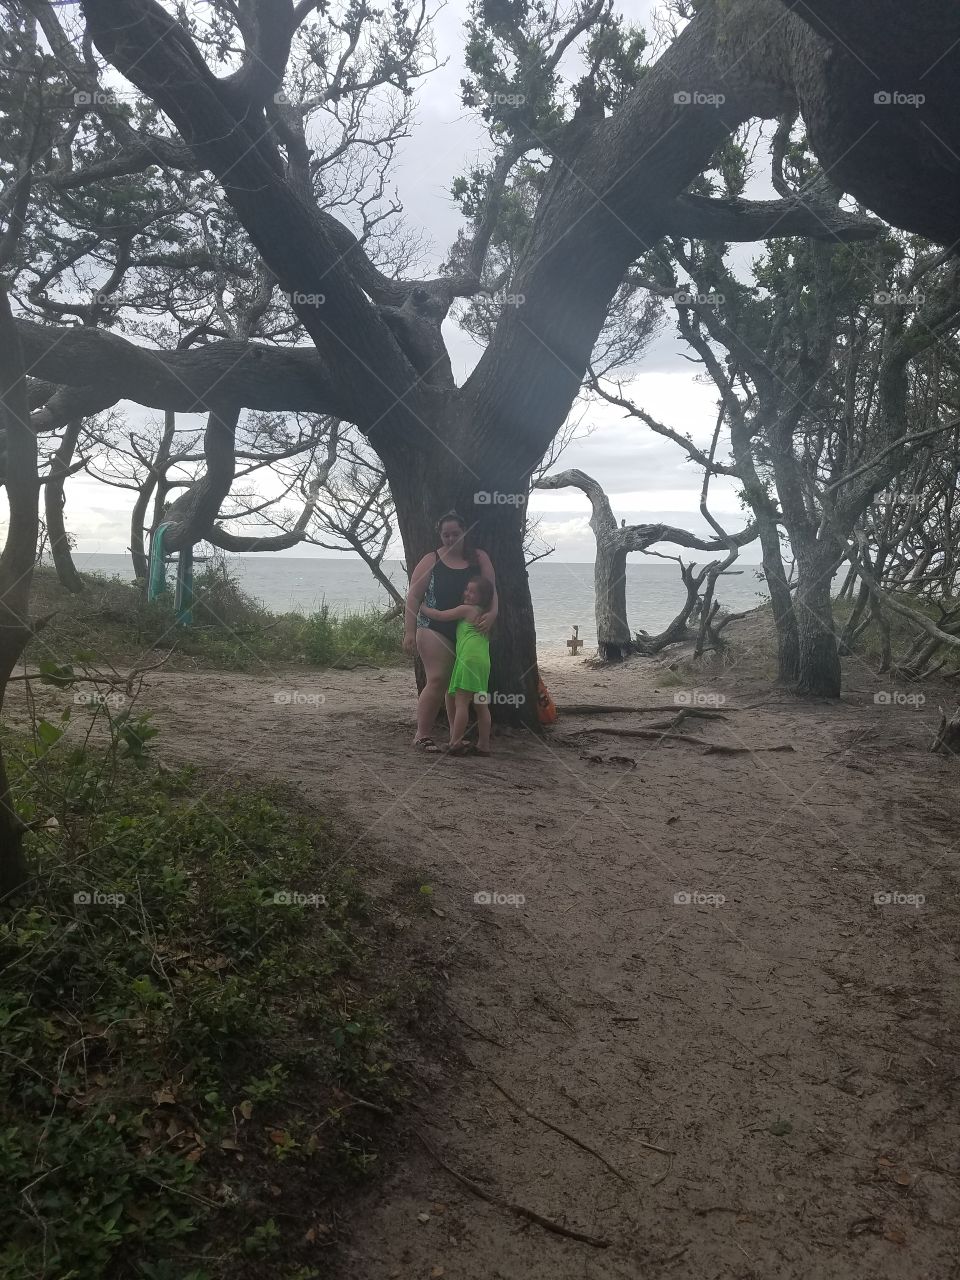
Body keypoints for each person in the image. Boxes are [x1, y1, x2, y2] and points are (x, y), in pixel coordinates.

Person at [403, 511, 497, 752]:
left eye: (455, 533)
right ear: (440, 535)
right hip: (433, 627)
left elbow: (492, 590)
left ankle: (457, 738)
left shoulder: (479, 557)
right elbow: (413, 596)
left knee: (455, 686)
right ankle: (422, 735)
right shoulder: (431, 559)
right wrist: (409, 631)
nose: (451, 538)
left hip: (466, 632)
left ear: (464, 532)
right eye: (446, 534)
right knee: (437, 679)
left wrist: (493, 614)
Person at [419, 576, 494, 756]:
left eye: (473, 592)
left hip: (467, 661)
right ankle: (484, 745)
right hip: (483, 664)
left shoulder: (466, 610)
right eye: (467, 589)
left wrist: (421, 607)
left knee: (461, 703)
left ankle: (455, 741)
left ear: (482, 597)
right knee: (481, 705)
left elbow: (440, 616)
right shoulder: (486, 615)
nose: (467, 594)